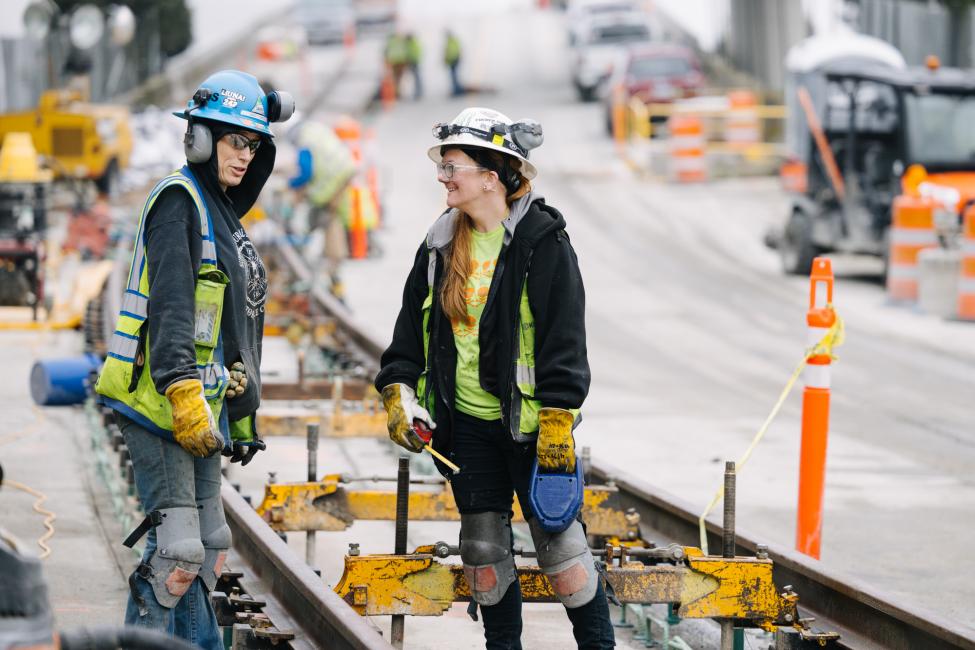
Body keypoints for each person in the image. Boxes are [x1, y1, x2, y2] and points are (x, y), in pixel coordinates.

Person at [375, 107, 615, 650]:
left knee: (564, 554)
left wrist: (558, 418)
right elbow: (408, 335)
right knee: (483, 552)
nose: (443, 175)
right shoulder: (440, 244)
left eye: (452, 165)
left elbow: (564, 339)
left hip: (535, 429)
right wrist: (398, 391)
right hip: (470, 432)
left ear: (492, 175)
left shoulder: (542, 240)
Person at [94, 70, 293, 647]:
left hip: (197, 409)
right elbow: (175, 308)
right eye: (234, 141)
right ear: (200, 139)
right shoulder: (180, 204)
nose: (244, 155)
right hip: (159, 403)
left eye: (254, 145)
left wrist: (240, 411)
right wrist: (183, 390)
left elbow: (233, 330)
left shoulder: (221, 212)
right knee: (177, 553)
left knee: (208, 547)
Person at [288, 119, 357, 298]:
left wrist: (291, 184)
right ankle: (333, 280)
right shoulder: (316, 129)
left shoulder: (305, 140)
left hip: (330, 186)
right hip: (343, 174)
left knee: (317, 226)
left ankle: (325, 278)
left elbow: (305, 172)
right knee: (332, 227)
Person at [444, 30, 464, 97]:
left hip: (454, 61)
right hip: (451, 61)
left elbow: (454, 51)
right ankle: (456, 89)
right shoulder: (449, 42)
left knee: (454, 76)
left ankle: (456, 89)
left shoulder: (452, 41)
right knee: (453, 76)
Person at [405, 32, 423, 100]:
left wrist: (411, 60)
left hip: (414, 62)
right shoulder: (412, 43)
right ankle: (418, 92)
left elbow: (414, 53)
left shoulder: (412, 44)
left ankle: (418, 93)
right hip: (413, 62)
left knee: (416, 78)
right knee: (416, 78)